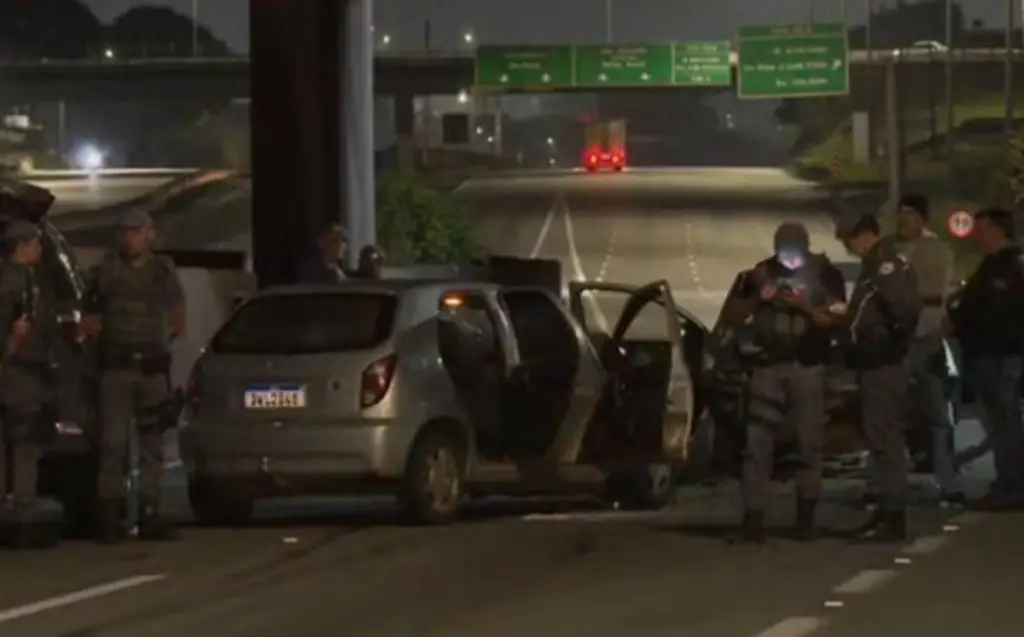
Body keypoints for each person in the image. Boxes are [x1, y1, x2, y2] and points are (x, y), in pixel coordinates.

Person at [721, 222, 847, 544]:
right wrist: (758, 300)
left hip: (808, 365)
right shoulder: (758, 274)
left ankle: (806, 519)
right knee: (757, 443)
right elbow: (732, 316)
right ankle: (753, 518)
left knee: (809, 444)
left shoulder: (824, 274)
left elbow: (838, 319)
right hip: (768, 366)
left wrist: (804, 306)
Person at [81, 209, 185, 543]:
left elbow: (177, 315)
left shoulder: (162, 270)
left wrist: (159, 344)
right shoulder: (106, 270)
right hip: (117, 368)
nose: (130, 238)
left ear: (149, 234)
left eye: (136, 232)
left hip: (151, 368)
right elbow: (90, 317)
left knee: (152, 443)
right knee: (113, 444)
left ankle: (150, 510)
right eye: (125, 232)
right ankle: (110, 513)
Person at [860, 193, 963, 507]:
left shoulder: (937, 250)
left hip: (928, 337)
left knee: (937, 414)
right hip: (894, 342)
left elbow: (932, 289)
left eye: (910, 214)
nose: (904, 220)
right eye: (901, 213)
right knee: (886, 416)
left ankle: (948, 482)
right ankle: (880, 485)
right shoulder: (885, 250)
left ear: (923, 218)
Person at [834, 211, 922, 542]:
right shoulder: (877, 262)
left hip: (883, 364)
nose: (847, 246)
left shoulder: (884, 262)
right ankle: (886, 511)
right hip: (875, 362)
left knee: (886, 441)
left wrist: (887, 341)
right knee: (880, 439)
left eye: (848, 240)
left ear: (864, 234)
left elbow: (903, 309)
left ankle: (893, 515)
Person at [947, 207, 1024, 509]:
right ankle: (1009, 481)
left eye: (981, 231)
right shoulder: (992, 265)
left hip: (1001, 354)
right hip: (988, 353)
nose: (977, 238)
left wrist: (960, 320)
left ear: (997, 231)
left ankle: (1012, 486)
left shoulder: (1009, 267)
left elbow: (995, 313)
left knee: (1005, 423)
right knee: (1000, 423)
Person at [0, 220, 60, 549]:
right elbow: (17, 330)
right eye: (35, 243)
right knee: (24, 441)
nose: (38, 248)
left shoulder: (26, 279)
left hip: (20, 369)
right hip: (17, 371)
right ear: (21, 246)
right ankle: (21, 513)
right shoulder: (17, 282)